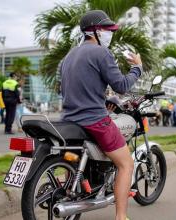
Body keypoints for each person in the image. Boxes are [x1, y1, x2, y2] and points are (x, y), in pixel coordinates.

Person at [58, 10, 143, 220]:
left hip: (68, 120)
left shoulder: (69, 56)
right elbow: (121, 86)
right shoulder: (101, 53)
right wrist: (137, 68)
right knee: (126, 164)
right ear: (94, 31)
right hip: (94, 121)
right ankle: (121, 216)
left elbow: (74, 88)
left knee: (74, 160)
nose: (110, 33)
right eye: (107, 29)